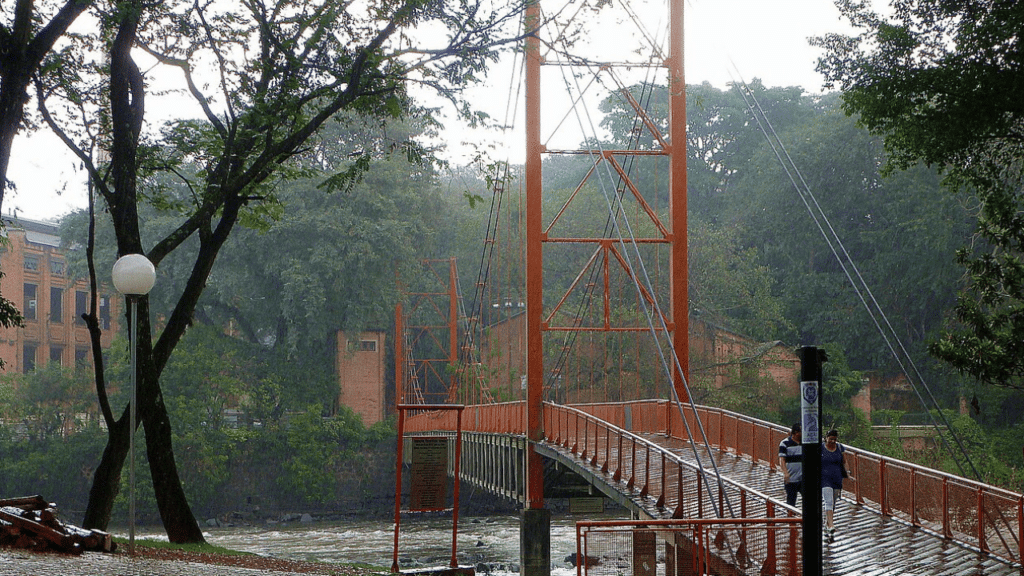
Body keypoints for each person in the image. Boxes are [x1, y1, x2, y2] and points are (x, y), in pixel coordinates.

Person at [821, 429, 853, 542]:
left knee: (833, 503)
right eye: (831, 439)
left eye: (835, 439)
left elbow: (844, 461)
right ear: (826, 438)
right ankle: (831, 526)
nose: (833, 441)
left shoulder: (839, 448)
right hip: (824, 479)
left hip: (836, 479)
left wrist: (848, 473)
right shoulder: (820, 447)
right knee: (828, 501)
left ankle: (827, 523)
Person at [778, 423, 802, 506]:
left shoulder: (805, 443)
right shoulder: (785, 443)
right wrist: (785, 473)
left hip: (803, 477)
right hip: (791, 477)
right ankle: (790, 518)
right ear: (796, 433)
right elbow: (782, 459)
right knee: (791, 500)